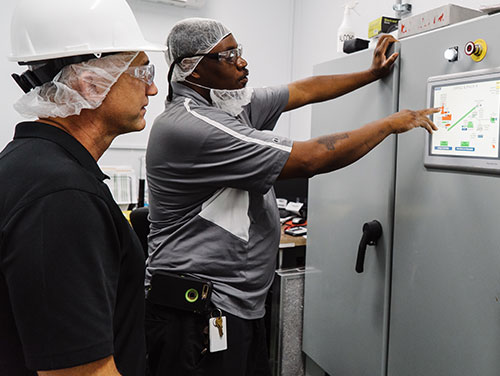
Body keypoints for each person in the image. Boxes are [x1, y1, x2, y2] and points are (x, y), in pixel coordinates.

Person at [144, 18, 438, 376]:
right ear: (194, 69)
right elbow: (311, 158)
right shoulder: (190, 126)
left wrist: (370, 73)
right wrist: (391, 123)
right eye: (229, 55)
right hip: (197, 311)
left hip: (236, 303)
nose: (242, 62)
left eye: (240, 51)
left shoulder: (229, 104)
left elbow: (303, 90)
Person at [0, 0, 166, 375]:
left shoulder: (29, 166)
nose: (153, 89)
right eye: (143, 71)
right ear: (91, 85)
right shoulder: (61, 196)